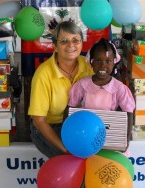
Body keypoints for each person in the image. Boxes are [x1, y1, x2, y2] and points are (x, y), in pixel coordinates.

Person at [28, 21, 94, 158]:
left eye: (76, 40)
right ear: (55, 46)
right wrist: (65, 149)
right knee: (75, 161)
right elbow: (39, 120)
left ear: (82, 43)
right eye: (64, 41)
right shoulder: (43, 74)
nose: (71, 45)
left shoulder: (89, 66)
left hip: (81, 125)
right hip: (51, 127)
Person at [68, 38, 135, 151]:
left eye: (108, 61)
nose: (103, 65)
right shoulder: (82, 85)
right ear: (91, 62)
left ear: (114, 62)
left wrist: (125, 139)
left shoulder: (119, 88)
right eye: (98, 61)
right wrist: (69, 135)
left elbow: (128, 113)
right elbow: (70, 109)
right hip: (85, 136)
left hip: (109, 137)